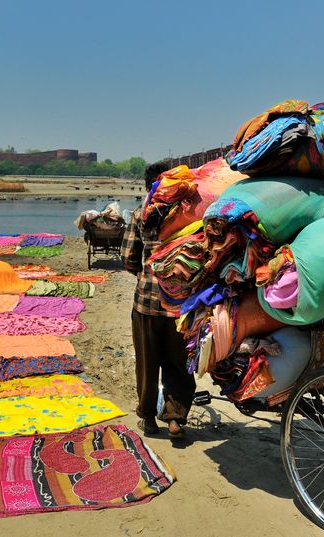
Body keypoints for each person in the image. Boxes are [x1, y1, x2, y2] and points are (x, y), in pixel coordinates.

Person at [121, 162, 196, 439]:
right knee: (179, 363)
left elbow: (129, 257)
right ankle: (175, 419)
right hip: (182, 305)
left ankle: (149, 418)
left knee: (147, 362)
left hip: (147, 303)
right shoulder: (188, 213)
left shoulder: (141, 214)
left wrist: (146, 274)